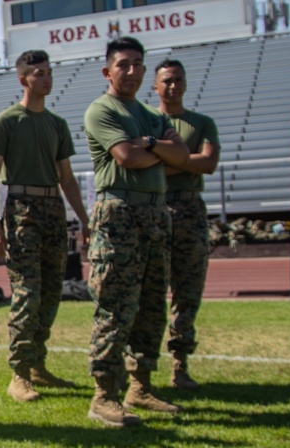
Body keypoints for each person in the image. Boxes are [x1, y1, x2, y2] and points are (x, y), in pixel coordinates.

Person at [83, 37, 190, 427]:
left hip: (155, 213)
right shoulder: (101, 110)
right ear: (107, 71)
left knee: (150, 304)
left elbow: (183, 157)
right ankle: (104, 395)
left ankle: (140, 386)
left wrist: (149, 144)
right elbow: (126, 157)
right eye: (123, 64)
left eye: (137, 64)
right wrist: (156, 148)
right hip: (121, 213)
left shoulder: (151, 115)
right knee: (116, 305)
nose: (131, 71)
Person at [0, 50, 91, 403]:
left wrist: (85, 219)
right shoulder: (7, 121)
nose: (46, 78)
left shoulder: (57, 124)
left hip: (53, 209)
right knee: (27, 292)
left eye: (48, 72)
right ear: (23, 79)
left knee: (50, 291)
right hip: (22, 209)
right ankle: (19, 373)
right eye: (39, 73)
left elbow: (67, 178)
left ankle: (37, 365)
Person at [153, 59, 220, 390]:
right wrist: (186, 162)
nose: (173, 86)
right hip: (155, 209)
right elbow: (141, 167)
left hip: (191, 211)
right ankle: (141, 369)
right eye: (166, 81)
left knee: (188, 290)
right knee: (148, 289)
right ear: (156, 86)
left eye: (178, 79)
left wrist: (168, 161)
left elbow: (208, 163)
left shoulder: (202, 122)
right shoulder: (147, 122)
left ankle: (180, 364)